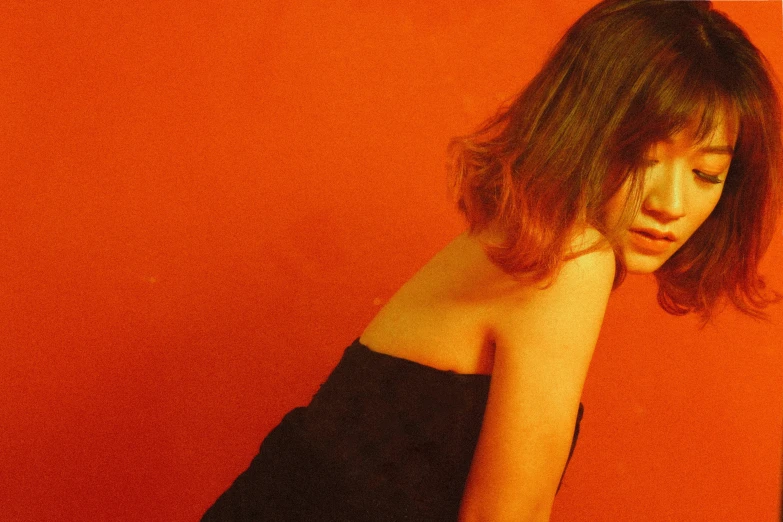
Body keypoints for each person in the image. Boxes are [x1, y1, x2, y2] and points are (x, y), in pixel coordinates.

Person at [202, 0, 781, 520]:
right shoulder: (572, 256)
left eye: (706, 173)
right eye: (642, 158)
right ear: (580, 132)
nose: (670, 204)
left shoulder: (529, 244)